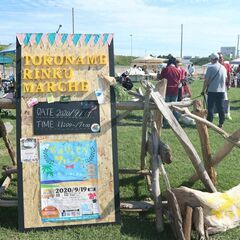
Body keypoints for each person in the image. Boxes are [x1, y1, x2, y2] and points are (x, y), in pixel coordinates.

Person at [201, 53, 227, 128]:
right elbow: (224, 79)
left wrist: (203, 90)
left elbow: (206, 80)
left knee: (210, 108)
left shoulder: (210, 67)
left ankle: (209, 123)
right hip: (222, 91)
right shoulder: (223, 68)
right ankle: (221, 123)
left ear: (212, 59)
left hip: (212, 90)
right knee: (220, 107)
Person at [218, 52, 232, 120]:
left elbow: (229, 75)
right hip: (216, 86)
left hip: (224, 85)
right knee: (216, 100)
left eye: (221, 57)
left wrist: (229, 84)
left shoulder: (226, 65)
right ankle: (216, 113)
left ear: (223, 58)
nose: (220, 59)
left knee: (225, 99)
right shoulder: (214, 65)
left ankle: (227, 114)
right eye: (218, 58)